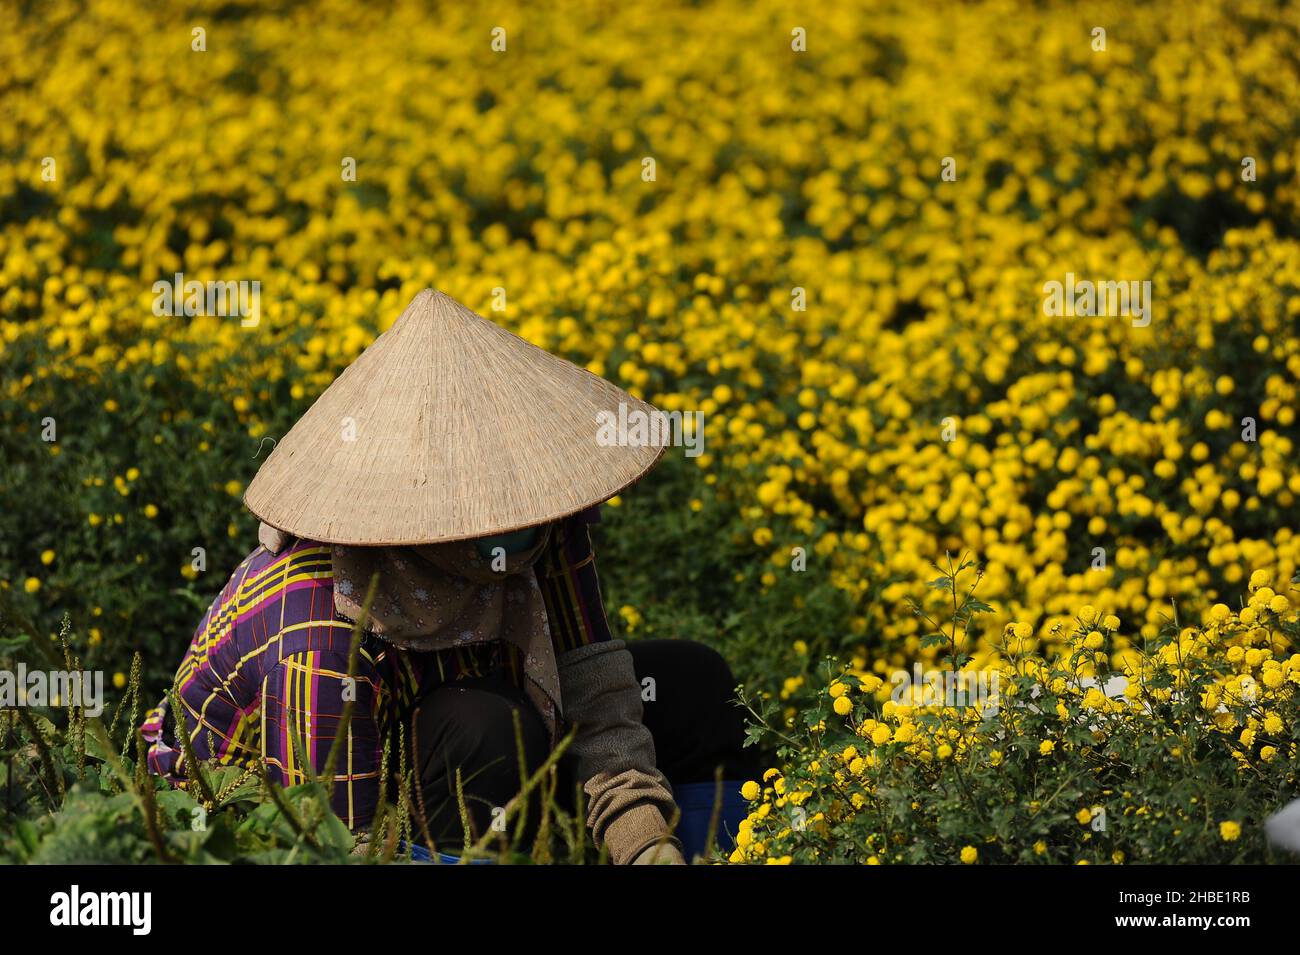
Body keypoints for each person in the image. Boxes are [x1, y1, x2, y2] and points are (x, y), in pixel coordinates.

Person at [142, 289, 754, 864]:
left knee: (691, 682)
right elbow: (330, 840)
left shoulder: (538, 526)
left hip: (453, 729)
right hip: (282, 803)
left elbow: (592, 686)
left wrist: (644, 836)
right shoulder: (319, 626)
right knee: (485, 732)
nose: (518, 526)